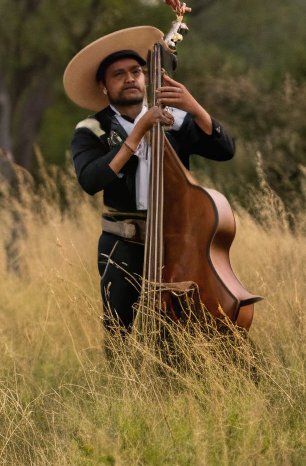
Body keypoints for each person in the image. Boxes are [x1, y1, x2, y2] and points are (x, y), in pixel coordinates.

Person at [63, 28, 236, 339]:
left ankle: (174, 381)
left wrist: (194, 107)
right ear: (104, 86)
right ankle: (125, 384)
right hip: (123, 240)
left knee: (178, 327)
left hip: (176, 241)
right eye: (119, 75)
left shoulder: (175, 119)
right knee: (120, 329)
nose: (130, 79)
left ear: (146, 77)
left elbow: (224, 151)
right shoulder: (92, 129)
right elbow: (91, 180)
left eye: (136, 71)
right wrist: (137, 133)